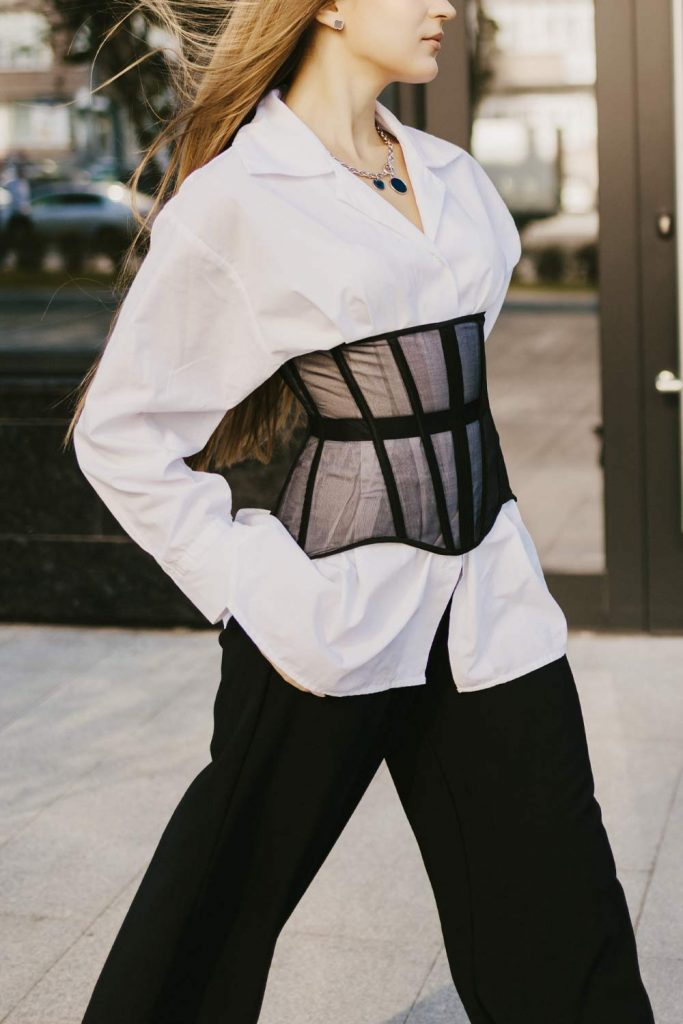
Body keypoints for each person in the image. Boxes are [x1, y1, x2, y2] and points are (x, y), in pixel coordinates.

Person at [65, 0, 656, 1021]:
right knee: (206, 923)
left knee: (567, 931)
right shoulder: (241, 198)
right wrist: (251, 579)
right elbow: (119, 433)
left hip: (487, 610)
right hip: (325, 620)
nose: (443, 7)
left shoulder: (455, 181)